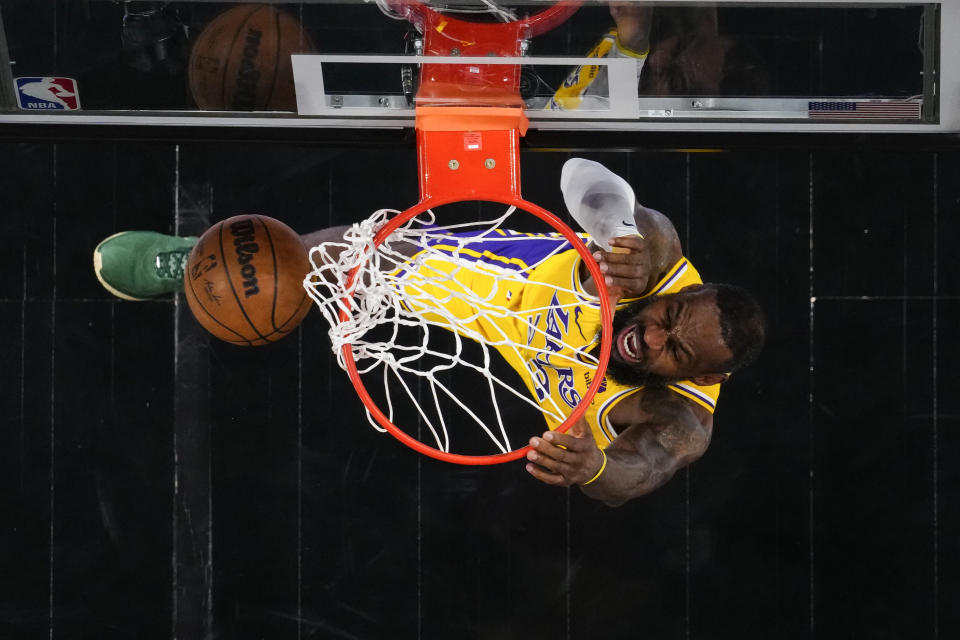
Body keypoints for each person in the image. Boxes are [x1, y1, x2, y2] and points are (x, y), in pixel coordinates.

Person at [93, 160, 765, 507]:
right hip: (513, 284)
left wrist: (594, 466)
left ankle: (225, 272)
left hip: (523, 361)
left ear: (704, 375)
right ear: (682, 290)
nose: (651, 336)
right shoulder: (660, 262)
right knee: (351, 261)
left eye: (674, 349)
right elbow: (585, 179)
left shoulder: (680, 418)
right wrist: (619, 231)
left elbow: (640, 472)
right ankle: (197, 262)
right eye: (667, 316)